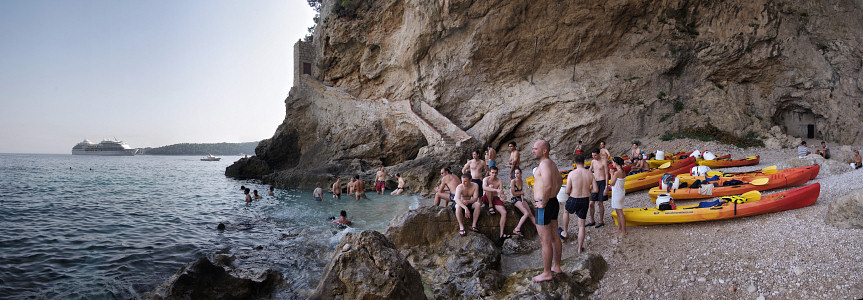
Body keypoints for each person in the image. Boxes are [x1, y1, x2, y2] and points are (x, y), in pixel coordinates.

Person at [531, 139, 563, 283]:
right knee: (555, 235)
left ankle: (546, 272)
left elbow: (549, 185)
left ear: (544, 150)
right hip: (553, 202)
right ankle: (556, 266)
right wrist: (552, 197)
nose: (533, 150)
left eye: (535, 148)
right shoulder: (552, 164)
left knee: (545, 241)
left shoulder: (544, 164)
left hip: (544, 205)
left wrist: (543, 201)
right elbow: (560, 181)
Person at [562, 154, 595, 253]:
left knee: (566, 211)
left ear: (575, 163)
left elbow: (567, 191)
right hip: (585, 199)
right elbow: (596, 189)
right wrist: (588, 190)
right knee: (581, 225)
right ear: (584, 162)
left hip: (574, 198)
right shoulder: (590, 174)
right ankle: (579, 249)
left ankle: (565, 232)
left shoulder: (572, 174)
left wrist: (571, 191)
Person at [482, 166, 510, 239]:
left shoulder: (499, 181)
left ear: (497, 173)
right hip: (487, 198)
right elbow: (484, 188)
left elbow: (501, 191)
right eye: (492, 173)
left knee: (504, 212)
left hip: (495, 198)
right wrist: (496, 190)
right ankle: (490, 205)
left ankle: (501, 234)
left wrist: (503, 195)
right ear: (489, 172)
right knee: (490, 186)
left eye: (495, 173)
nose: (494, 174)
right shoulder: (486, 179)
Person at [453, 172, 482, 236]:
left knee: (478, 204)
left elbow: (475, 198)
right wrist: (465, 208)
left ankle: (474, 225)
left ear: (470, 180)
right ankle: (461, 226)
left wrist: (468, 202)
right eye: (462, 181)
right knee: (458, 206)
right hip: (460, 203)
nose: (463, 183)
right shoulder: (459, 187)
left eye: (465, 181)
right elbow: (456, 199)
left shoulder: (475, 185)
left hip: (469, 202)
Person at [509, 167, 535, 237]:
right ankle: (517, 228)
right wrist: (521, 193)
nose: (516, 175)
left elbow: (522, 193)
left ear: (520, 174)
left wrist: (523, 200)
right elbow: (513, 193)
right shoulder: (513, 181)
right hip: (514, 199)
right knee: (526, 213)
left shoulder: (521, 181)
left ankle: (539, 228)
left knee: (530, 214)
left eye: (517, 173)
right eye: (515, 173)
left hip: (520, 198)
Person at [587, 148, 608, 228]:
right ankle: (592, 220)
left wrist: (606, 187)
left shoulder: (604, 161)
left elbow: (606, 174)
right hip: (595, 182)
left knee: (600, 203)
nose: (594, 157)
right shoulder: (593, 161)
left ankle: (601, 221)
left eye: (595, 155)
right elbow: (590, 170)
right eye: (593, 155)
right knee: (591, 203)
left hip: (602, 182)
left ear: (599, 154)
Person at [609, 157, 627, 236]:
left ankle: (623, 231)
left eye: (613, 162)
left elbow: (612, 183)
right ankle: (619, 228)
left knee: (620, 212)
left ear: (616, 163)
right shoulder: (622, 171)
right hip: (620, 192)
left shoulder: (617, 173)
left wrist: (611, 174)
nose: (612, 163)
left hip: (617, 193)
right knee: (618, 211)